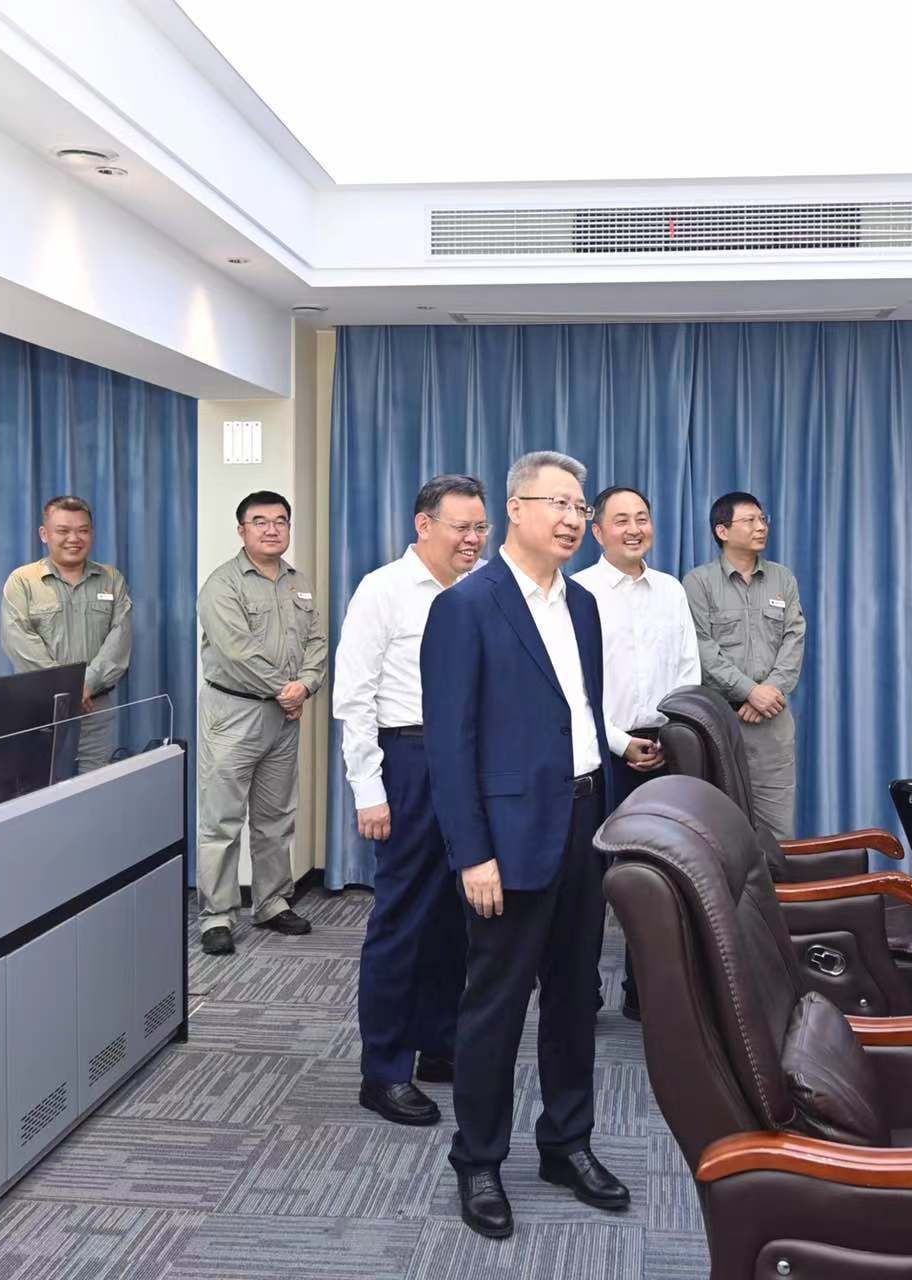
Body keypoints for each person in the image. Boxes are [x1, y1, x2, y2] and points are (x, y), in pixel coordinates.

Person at [424, 450, 646, 1239]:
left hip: (584, 822)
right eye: (557, 503)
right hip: (507, 839)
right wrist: (472, 854)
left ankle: (567, 1143)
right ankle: (479, 1160)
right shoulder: (466, 605)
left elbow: (577, 715)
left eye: (579, 507)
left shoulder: (581, 603)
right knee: (496, 1004)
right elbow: (450, 745)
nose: (572, 518)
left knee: (576, 995)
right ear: (515, 510)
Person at [335, 474, 487, 1128]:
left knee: (456, 915)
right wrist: (369, 789)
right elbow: (353, 696)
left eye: (481, 528)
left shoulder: (484, 590)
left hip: (472, 762)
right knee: (403, 918)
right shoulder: (384, 589)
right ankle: (384, 1070)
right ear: (424, 525)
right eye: (462, 527)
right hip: (410, 761)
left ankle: (439, 1042)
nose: (474, 539)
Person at [572, 484, 695, 1019]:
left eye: (642, 517)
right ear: (597, 531)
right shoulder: (576, 592)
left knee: (659, 876)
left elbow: (688, 671)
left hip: (665, 749)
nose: (634, 529)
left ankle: (644, 993)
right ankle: (581, 994)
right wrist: (621, 742)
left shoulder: (671, 590)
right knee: (591, 880)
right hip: (599, 751)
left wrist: (673, 734)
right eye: (620, 520)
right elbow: (574, 688)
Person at [194, 490, 327, 956]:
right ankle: (216, 915)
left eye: (280, 521)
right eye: (260, 521)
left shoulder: (298, 582)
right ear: (242, 530)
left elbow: (317, 641)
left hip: (283, 717)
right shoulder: (222, 585)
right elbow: (237, 652)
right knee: (221, 820)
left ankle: (271, 902)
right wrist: (286, 690)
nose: (272, 529)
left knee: (275, 817)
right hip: (233, 715)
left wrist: (305, 685)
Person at [683, 491, 805, 837]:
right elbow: (701, 647)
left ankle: (777, 878)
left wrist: (769, 692)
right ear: (722, 531)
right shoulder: (698, 582)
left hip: (772, 722)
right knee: (719, 830)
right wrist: (750, 691)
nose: (760, 527)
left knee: (777, 833)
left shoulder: (783, 579)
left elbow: (794, 638)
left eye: (763, 519)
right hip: (722, 720)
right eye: (749, 520)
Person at [0, 495, 133, 775]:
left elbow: (120, 638)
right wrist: (66, 687)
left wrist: (87, 684)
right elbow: (19, 641)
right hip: (41, 708)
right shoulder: (23, 581)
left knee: (96, 787)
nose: (74, 538)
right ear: (44, 534)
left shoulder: (111, 579)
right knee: (42, 789)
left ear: (92, 533)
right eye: (63, 530)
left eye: (82, 530)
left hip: (94, 705)